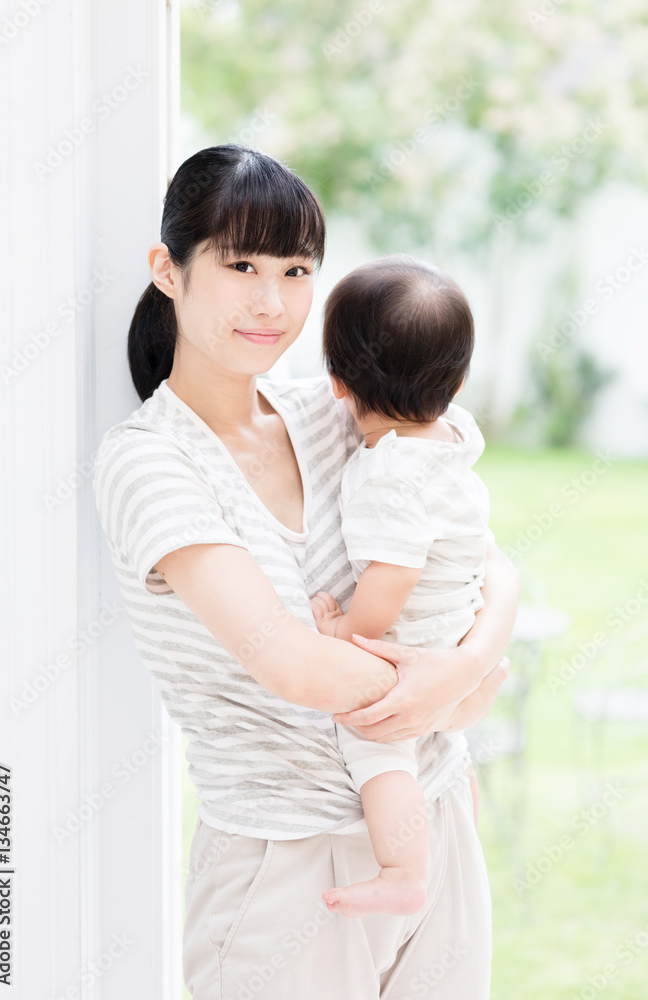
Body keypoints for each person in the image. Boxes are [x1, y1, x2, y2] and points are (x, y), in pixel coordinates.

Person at [92, 144, 520, 1000]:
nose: (271, 301)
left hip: (432, 818)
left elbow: (488, 561)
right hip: (288, 868)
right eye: (239, 263)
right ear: (168, 272)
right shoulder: (148, 465)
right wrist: (448, 687)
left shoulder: (330, 412)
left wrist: (468, 669)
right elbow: (291, 662)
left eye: (295, 270)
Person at [309, 255, 492, 920]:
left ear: (335, 383)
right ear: (459, 378)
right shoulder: (452, 437)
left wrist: (342, 629)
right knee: (440, 754)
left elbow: (390, 580)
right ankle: (459, 834)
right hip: (458, 626)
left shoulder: (387, 474)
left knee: (376, 748)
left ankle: (402, 869)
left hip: (414, 640)